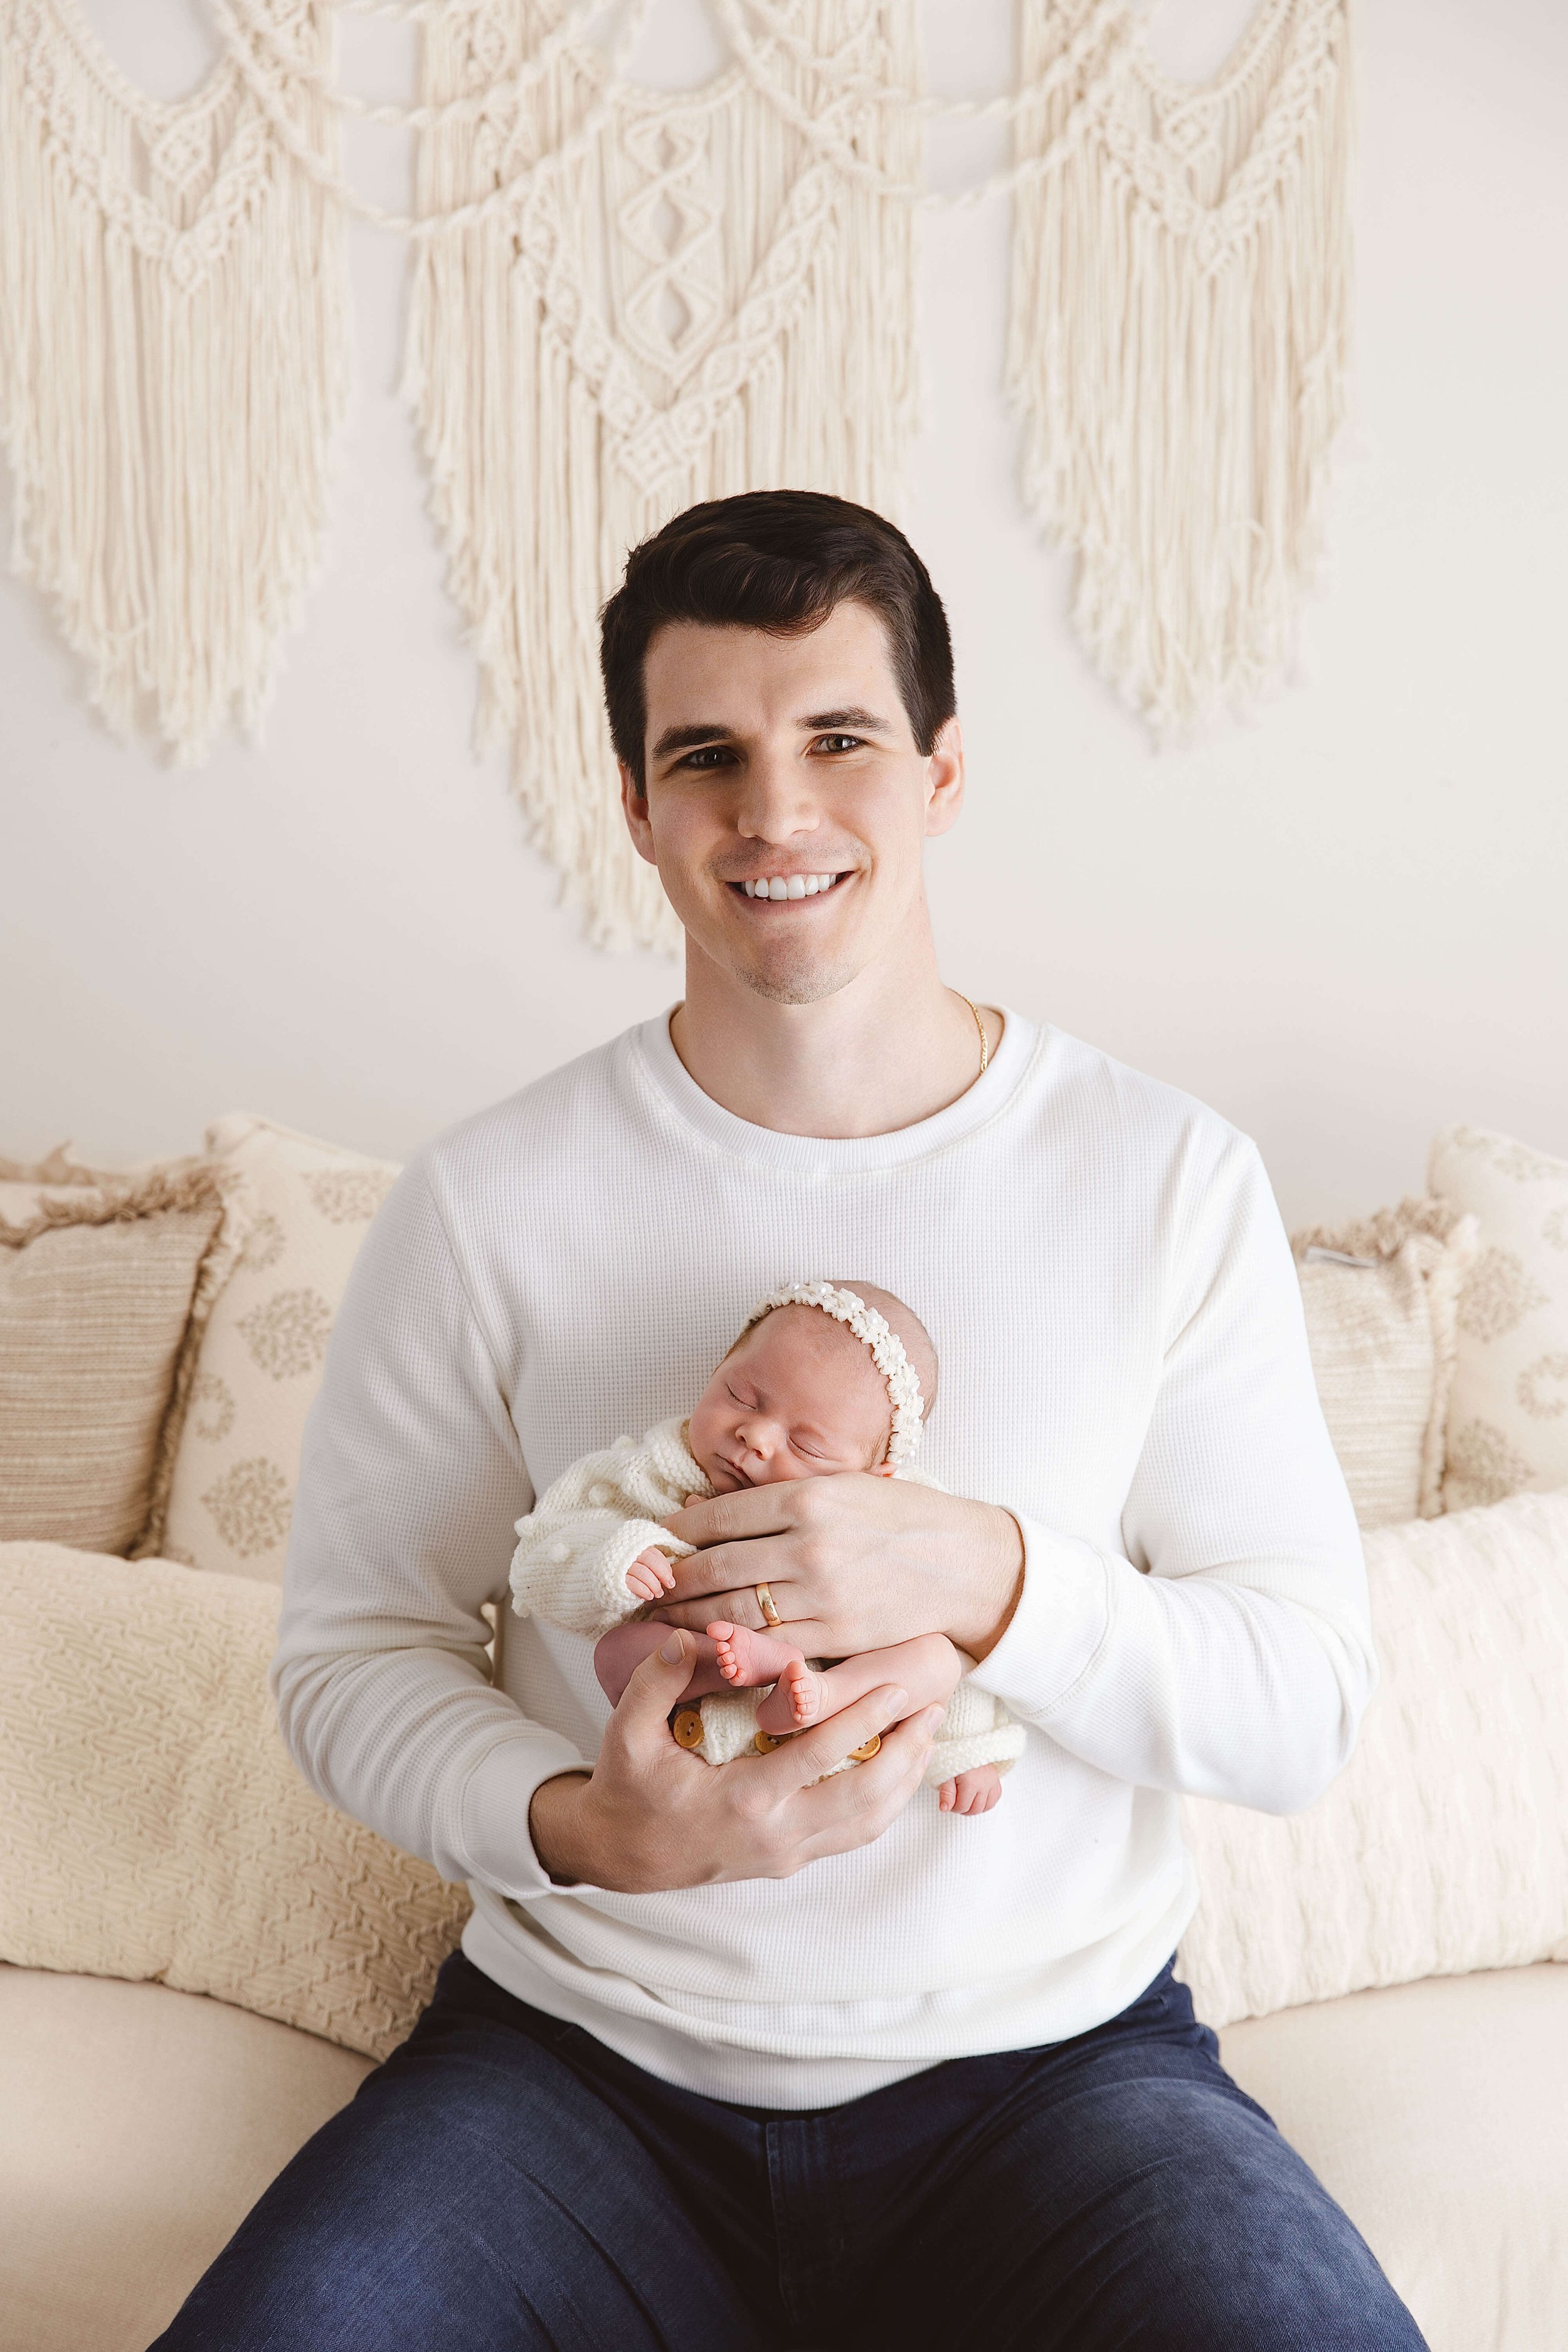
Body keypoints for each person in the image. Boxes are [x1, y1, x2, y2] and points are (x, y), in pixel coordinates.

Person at [152, 490, 1428, 2349]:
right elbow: (354, 1655)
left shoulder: (1158, 1176)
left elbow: (1298, 1701)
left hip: (1054, 2075)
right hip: (574, 2070)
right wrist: (588, 1825)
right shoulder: (489, 1198)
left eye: (836, 738)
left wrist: (997, 1577)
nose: (773, 811)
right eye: (707, 757)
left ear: (938, 773)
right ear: (635, 806)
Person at [510, 1277, 1022, 1813]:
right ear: (717, 1371)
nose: (756, 1437)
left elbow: (949, 1616)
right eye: (741, 1397)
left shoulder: (904, 1518)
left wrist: (970, 1748)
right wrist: (615, 1557)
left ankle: (825, 1690)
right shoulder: (651, 1475)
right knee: (618, 1653)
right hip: (689, 1712)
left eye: (806, 1445)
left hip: (829, 1715)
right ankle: (728, 1661)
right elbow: (545, 1553)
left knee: (937, 1657)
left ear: (878, 1477)